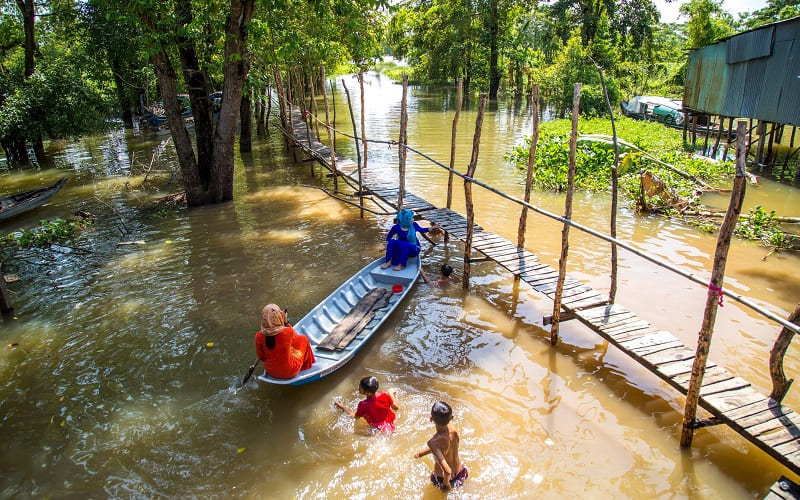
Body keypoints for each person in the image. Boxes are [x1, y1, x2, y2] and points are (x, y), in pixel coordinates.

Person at [413, 401, 468, 491]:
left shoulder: (433, 443)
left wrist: (446, 485)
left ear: (431, 418)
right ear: (451, 418)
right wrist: (420, 454)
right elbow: (444, 447)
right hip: (460, 472)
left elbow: (447, 471)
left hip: (443, 479)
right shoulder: (453, 429)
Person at [254, 303, 315, 379]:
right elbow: (296, 338)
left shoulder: (258, 336)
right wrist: (285, 322)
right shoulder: (288, 332)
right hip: (290, 371)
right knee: (303, 339)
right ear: (278, 317)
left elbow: (261, 357)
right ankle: (306, 366)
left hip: (271, 371)